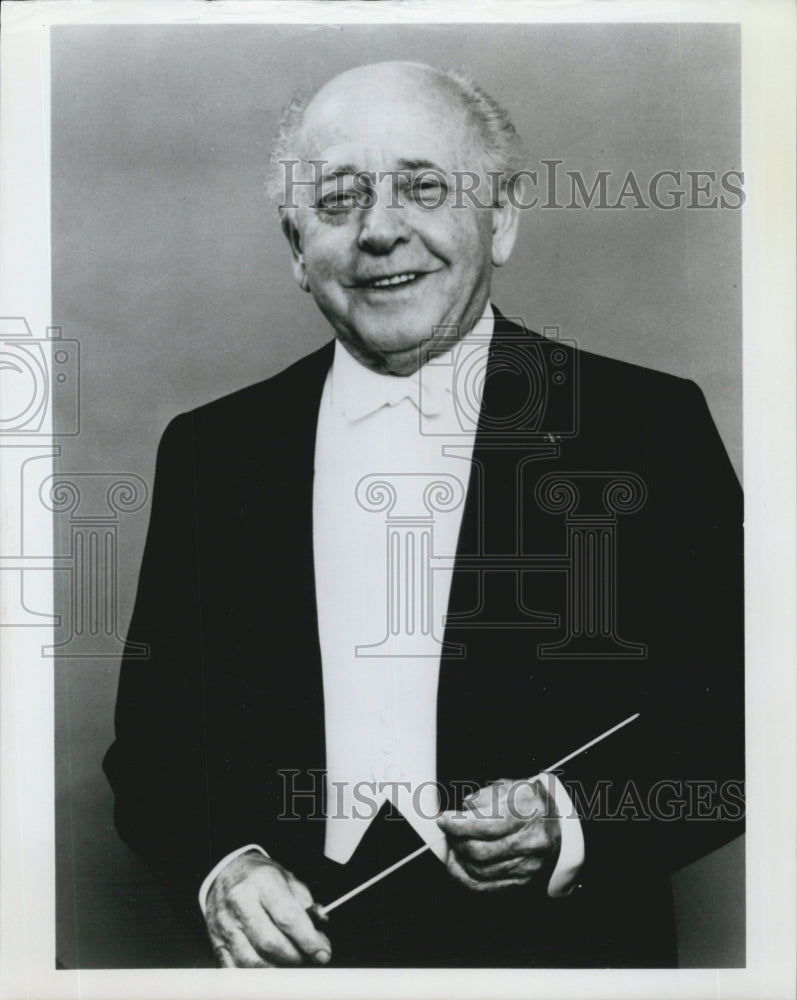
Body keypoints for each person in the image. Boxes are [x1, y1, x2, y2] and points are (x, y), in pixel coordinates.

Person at [103, 61, 744, 968]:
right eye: (338, 200)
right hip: (302, 966)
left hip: (565, 962)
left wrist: (571, 817)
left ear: (501, 217)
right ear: (296, 248)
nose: (379, 230)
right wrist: (223, 866)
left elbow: (750, 714)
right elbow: (155, 749)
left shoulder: (646, 426)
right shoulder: (212, 452)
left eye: (424, 187)